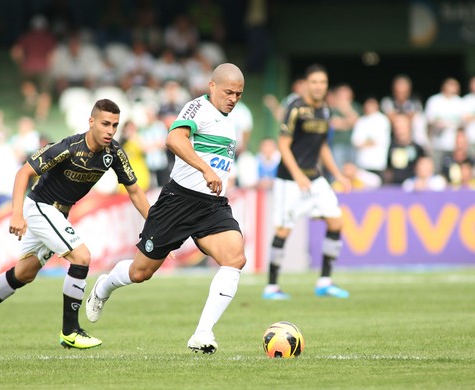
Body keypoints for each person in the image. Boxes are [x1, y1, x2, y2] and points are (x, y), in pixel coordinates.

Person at [0, 99, 150, 350]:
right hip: (40, 208)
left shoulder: (114, 153)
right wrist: (17, 214)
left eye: (114, 125)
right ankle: (70, 331)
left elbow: (134, 191)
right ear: (91, 122)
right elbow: (23, 173)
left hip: (58, 214)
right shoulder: (68, 147)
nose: (110, 131)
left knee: (24, 273)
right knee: (82, 257)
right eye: (105, 124)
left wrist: (155, 223)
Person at [84, 63, 247, 355]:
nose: (233, 98)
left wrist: (217, 175)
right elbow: (174, 139)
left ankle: (202, 333)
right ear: (212, 87)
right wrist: (205, 169)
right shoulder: (198, 108)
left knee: (235, 258)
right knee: (140, 272)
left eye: (238, 94)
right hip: (178, 202)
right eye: (228, 92)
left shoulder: (228, 120)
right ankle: (103, 287)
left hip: (212, 206)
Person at [262, 64, 352, 301]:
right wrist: (298, 175)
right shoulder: (295, 108)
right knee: (283, 229)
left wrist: (338, 174)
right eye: (314, 82)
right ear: (306, 84)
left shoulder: (325, 111)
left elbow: (322, 146)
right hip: (289, 180)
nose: (319, 86)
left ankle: (325, 281)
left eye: (322, 82)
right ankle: (271, 286)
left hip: (314, 178)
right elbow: (283, 144)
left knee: (336, 220)